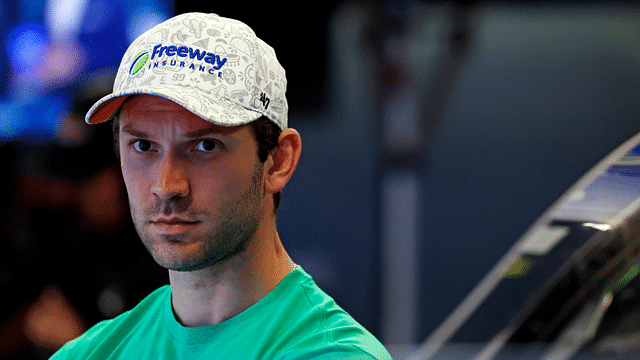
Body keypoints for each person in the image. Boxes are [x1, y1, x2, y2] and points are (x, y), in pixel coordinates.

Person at [50, 12, 392, 360]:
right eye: (143, 146)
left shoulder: (330, 353)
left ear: (278, 161)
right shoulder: (91, 352)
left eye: (206, 146)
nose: (166, 186)